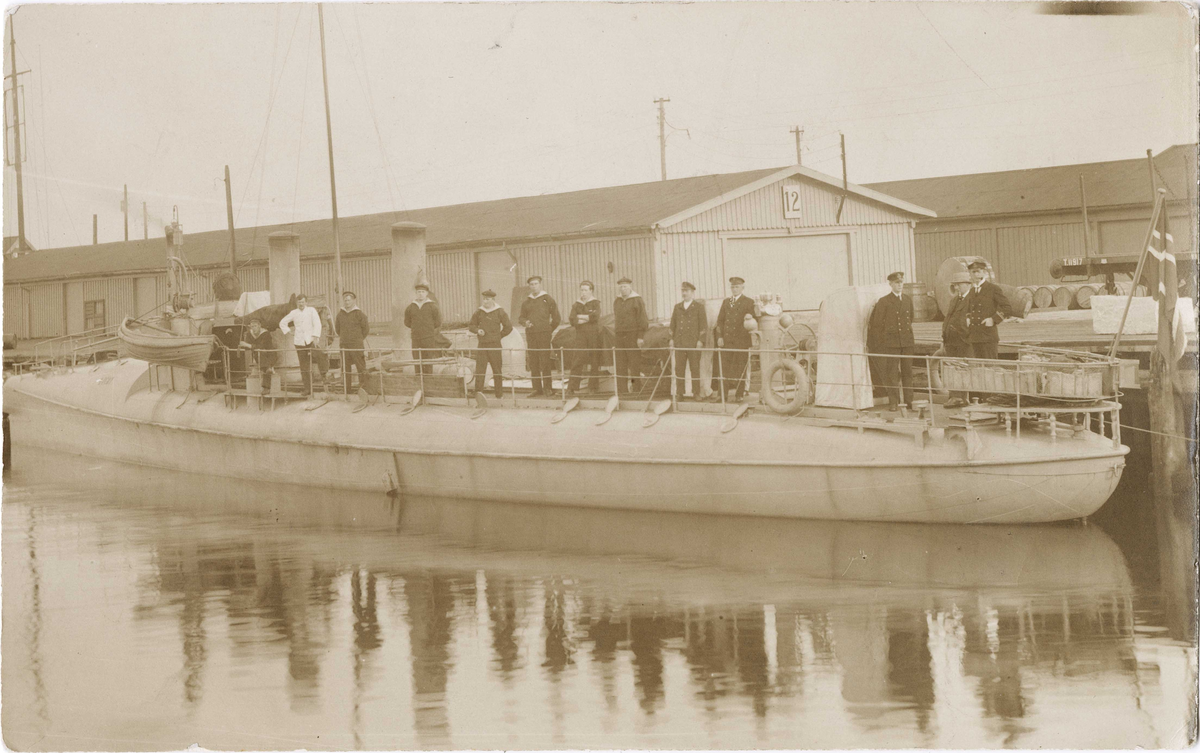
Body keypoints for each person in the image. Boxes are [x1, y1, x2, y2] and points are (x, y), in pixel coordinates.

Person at [868, 272, 916, 411]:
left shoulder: (907, 300)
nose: (899, 285)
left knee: (907, 373)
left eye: (901, 282)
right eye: (896, 283)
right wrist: (883, 341)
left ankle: (909, 401)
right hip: (891, 343)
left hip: (907, 342)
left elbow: (910, 318)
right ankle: (894, 402)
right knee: (892, 374)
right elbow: (877, 324)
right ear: (890, 284)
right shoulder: (884, 301)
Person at [712, 276, 757, 402]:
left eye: (737, 286)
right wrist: (719, 337)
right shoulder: (727, 302)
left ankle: (739, 395)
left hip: (741, 341)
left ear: (742, 287)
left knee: (740, 368)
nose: (734, 289)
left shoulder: (749, 302)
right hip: (727, 340)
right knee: (724, 368)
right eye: (732, 286)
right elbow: (720, 321)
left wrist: (750, 316)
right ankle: (722, 395)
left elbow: (755, 320)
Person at [519, 275, 561, 397]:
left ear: (540, 284)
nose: (533, 286)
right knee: (533, 362)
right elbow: (521, 317)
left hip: (544, 335)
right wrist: (525, 322)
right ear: (529, 286)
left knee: (545, 361)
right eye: (531, 284)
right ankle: (537, 388)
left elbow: (557, 318)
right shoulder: (526, 302)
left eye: (536, 284)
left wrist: (548, 330)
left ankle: (548, 388)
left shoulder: (548, 299)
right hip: (531, 335)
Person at [964, 260, 1013, 361]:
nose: (975, 274)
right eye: (972, 272)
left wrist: (993, 319)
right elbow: (969, 308)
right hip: (974, 336)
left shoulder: (993, 289)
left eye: (977, 271)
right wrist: (968, 317)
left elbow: (1007, 308)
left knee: (990, 367)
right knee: (978, 368)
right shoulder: (972, 290)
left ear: (984, 272)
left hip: (988, 337)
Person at [469, 289, 513, 398]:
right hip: (482, 345)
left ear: (493, 300)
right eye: (484, 299)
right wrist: (477, 331)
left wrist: (498, 336)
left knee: (497, 370)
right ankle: (478, 395)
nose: (485, 302)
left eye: (487, 299)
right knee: (480, 371)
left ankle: (499, 395)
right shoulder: (479, 312)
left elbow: (508, 327)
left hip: (495, 346)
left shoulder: (500, 311)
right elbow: (471, 325)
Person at [279, 294, 323, 396]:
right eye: (299, 303)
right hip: (299, 343)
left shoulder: (311, 310)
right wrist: (289, 331)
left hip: (311, 341)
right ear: (296, 303)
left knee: (321, 358)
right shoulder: (294, 313)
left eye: (303, 302)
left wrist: (316, 337)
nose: (301, 304)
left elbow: (317, 323)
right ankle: (307, 389)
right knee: (304, 367)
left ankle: (324, 381)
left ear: (306, 302)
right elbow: (282, 322)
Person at [670, 281, 707, 401]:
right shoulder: (677, 307)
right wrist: (671, 339)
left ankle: (696, 392)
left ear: (692, 292)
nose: (684, 293)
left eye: (686, 291)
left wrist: (701, 341)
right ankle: (680, 393)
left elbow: (703, 326)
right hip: (679, 343)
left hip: (693, 343)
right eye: (682, 291)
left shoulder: (699, 307)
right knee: (679, 369)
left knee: (695, 369)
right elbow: (672, 326)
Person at [612, 276, 649, 396]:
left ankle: (636, 390)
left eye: (625, 287)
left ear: (630, 287)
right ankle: (622, 391)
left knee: (634, 364)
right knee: (620, 364)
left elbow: (643, 320)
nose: (623, 289)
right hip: (619, 336)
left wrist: (640, 336)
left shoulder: (637, 300)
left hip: (633, 335)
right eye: (621, 287)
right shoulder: (617, 301)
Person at [941, 270, 972, 407]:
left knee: (962, 370)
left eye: (958, 285)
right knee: (952, 370)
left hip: (964, 342)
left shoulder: (973, 300)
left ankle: (960, 398)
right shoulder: (954, 300)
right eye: (955, 285)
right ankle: (954, 396)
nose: (956, 287)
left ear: (967, 284)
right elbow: (948, 319)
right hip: (951, 341)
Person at [567, 281, 602, 396]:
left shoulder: (596, 303)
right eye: (582, 290)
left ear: (591, 290)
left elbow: (595, 317)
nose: (583, 292)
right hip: (580, 335)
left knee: (594, 360)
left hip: (593, 335)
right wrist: (587, 318)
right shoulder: (576, 304)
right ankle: (571, 388)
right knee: (577, 359)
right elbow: (572, 319)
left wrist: (581, 317)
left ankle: (593, 387)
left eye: (586, 290)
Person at [335, 291, 370, 393]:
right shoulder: (340, 314)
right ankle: (347, 390)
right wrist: (345, 338)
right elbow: (338, 329)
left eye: (349, 300)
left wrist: (357, 339)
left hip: (356, 345)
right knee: (345, 369)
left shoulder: (359, 314)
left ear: (354, 301)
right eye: (345, 300)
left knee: (361, 367)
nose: (347, 302)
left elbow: (366, 330)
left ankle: (364, 389)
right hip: (344, 345)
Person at [404, 282, 441, 375]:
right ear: (416, 293)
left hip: (428, 338)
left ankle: (428, 382)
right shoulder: (411, 307)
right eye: (418, 292)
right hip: (416, 338)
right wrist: (416, 328)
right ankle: (419, 382)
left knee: (428, 360)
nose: (420, 294)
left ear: (426, 293)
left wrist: (427, 329)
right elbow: (407, 322)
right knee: (417, 360)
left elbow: (437, 322)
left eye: (423, 292)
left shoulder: (432, 306)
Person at [239, 319, 277, 394]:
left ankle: (266, 387)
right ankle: (269, 369)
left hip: (270, 354)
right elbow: (247, 347)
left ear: (259, 326)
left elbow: (262, 346)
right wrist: (243, 345)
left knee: (264, 360)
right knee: (262, 359)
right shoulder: (249, 334)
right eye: (252, 326)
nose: (253, 328)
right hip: (259, 355)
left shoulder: (266, 333)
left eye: (255, 326)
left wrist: (248, 345)